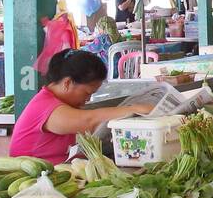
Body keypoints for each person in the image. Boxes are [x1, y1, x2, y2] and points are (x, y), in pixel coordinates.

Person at [9, 50, 153, 164]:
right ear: (67, 83)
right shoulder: (47, 107)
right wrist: (134, 109)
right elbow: (90, 121)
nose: (88, 99)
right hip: (36, 182)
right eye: (87, 92)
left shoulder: (56, 101)